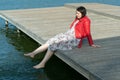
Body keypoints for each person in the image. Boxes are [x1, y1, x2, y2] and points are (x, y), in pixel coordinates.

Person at [24, 6, 100, 69]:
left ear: (83, 13)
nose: (76, 14)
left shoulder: (86, 21)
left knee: (53, 45)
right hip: (68, 35)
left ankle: (42, 64)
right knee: (51, 40)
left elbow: (88, 33)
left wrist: (91, 43)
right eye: (76, 13)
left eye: (78, 13)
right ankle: (33, 53)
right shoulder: (78, 18)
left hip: (74, 39)